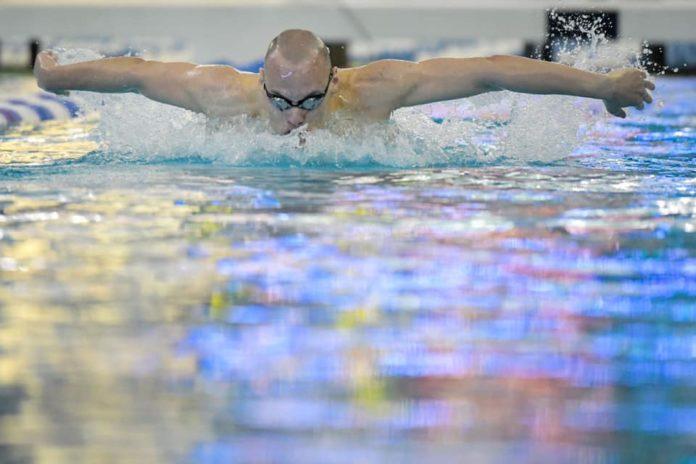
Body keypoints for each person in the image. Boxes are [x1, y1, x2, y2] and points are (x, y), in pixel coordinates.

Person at [33, 29, 654, 135]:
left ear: (335, 80)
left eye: (311, 100)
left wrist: (599, 86)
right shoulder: (222, 92)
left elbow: (492, 69)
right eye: (280, 100)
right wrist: (59, 77)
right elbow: (137, 77)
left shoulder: (374, 89)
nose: (296, 117)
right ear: (261, 79)